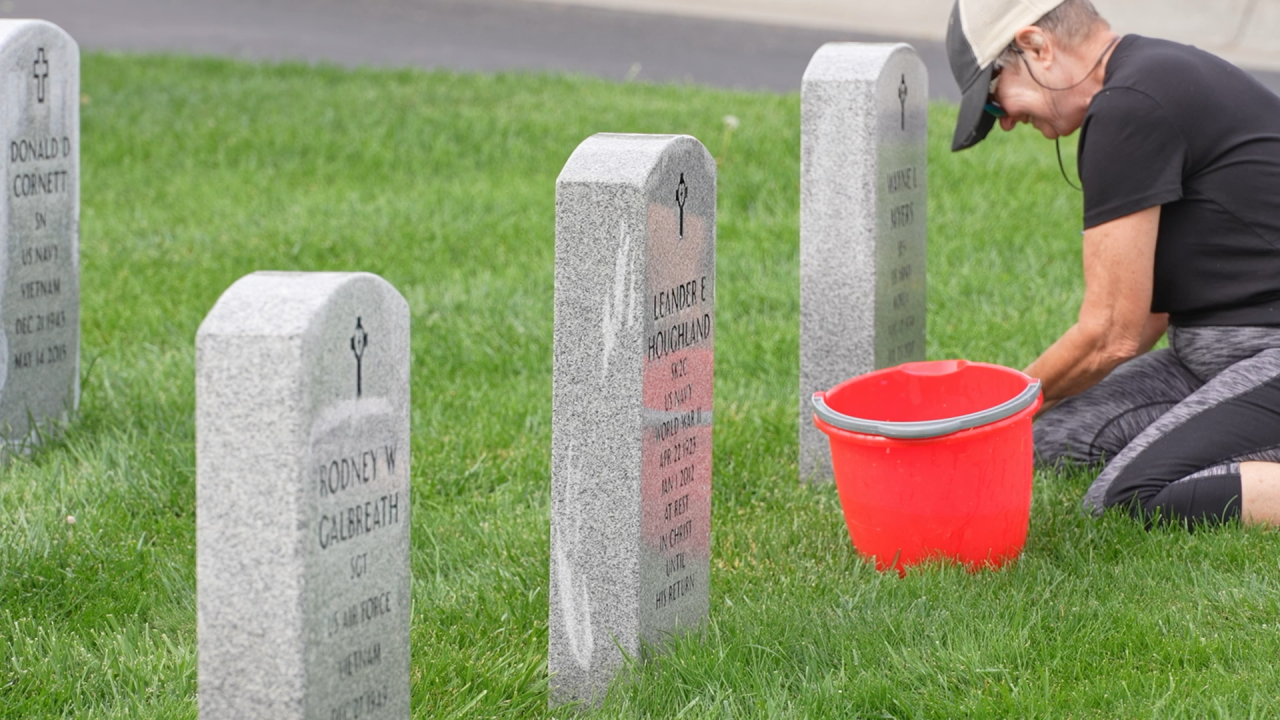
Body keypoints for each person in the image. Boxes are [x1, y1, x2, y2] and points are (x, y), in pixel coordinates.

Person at [946, 0, 1280, 528]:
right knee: (1040, 443)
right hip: (1214, 363)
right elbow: (1143, 318)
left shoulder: (1132, 104)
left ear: (1036, 46)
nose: (1005, 122)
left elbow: (1110, 334)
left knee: (1131, 495)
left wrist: (992, 412)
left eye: (993, 101)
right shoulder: (1145, 80)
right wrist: (1016, 419)